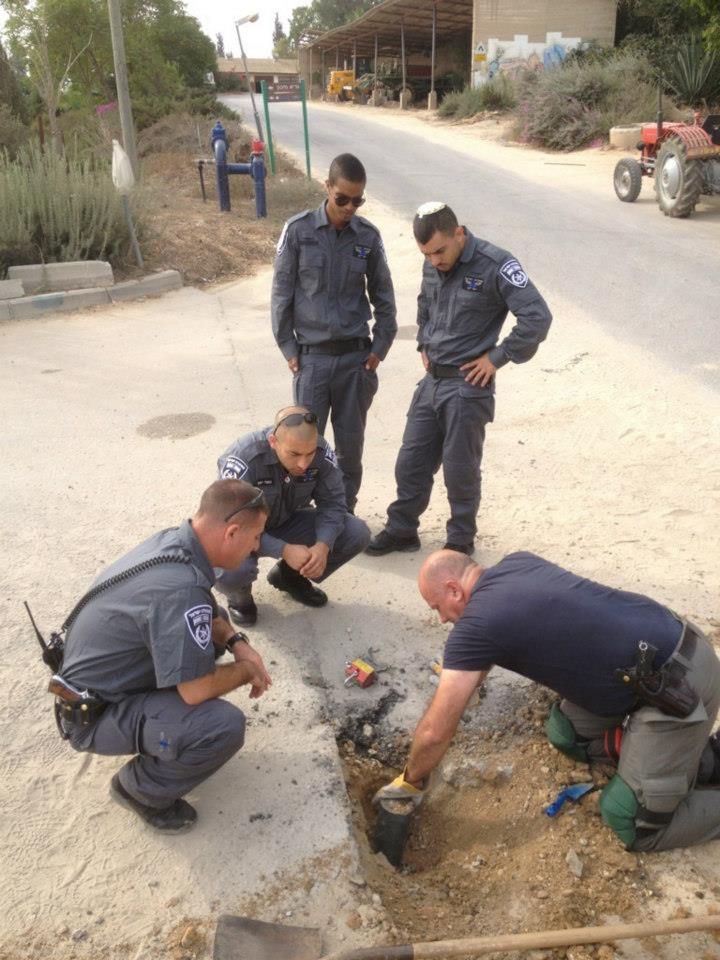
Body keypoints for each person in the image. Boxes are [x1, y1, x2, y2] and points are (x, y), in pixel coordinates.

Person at [374, 549, 720, 853]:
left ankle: (675, 769)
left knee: (629, 820)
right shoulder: (517, 564)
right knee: (567, 733)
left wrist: (411, 780)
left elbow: (435, 733)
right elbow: (495, 643)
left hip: (678, 686)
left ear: (454, 589)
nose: (441, 619)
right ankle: (685, 763)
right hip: (659, 653)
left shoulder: (475, 627)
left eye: (438, 607)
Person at [54, 480, 272, 832]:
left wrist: (237, 642)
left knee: (214, 626)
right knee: (223, 726)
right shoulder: (181, 590)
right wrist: (246, 669)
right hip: (91, 717)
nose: (257, 546)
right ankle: (139, 790)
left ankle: (159, 725)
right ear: (232, 532)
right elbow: (195, 691)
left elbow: (209, 612)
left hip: (96, 683)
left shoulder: (176, 541)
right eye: (256, 536)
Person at [366, 203, 552, 557]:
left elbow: (537, 318)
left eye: (440, 250)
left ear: (459, 233)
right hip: (432, 381)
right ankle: (403, 529)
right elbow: (425, 302)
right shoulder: (432, 262)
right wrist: (423, 341)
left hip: (468, 386)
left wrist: (496, 358)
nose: (434, 260)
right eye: (426, 254)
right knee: (411, 462)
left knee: (459, 469)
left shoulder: (496, 264)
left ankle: (460, 540)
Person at [271, 152, 397, 513]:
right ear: (327, 188)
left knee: (350, 448)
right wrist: (288, 348)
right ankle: (301, 517)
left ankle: (343, 515)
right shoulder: (298, 231)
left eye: (357, 201)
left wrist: (379, 349)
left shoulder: (369, 237)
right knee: (302, 447)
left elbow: (384, 297)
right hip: (311, 360)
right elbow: (281, 293)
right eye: (342, 198)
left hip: (355, 361)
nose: (348, 207)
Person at [215, 405, 370, 626]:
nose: (303, 463)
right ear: (273, 442)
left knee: (355, 532)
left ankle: (289, 577)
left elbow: (334, 503)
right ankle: (239, 596)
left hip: (287, 520)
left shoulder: (320, 451)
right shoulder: (242, 458)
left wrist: (322, 546)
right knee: (232, 568)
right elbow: (232, 524)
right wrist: (284, 549)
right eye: (294, 454)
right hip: (243, 532)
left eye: (309, 454)